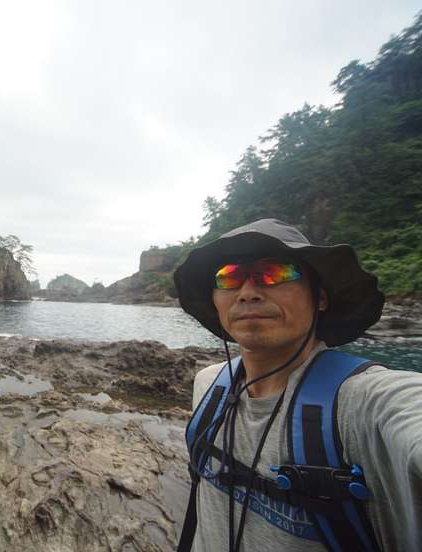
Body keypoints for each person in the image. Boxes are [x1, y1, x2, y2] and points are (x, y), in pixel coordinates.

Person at [173, 218, 422, 551]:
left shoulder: (364, 403)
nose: (247, 293)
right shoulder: (208, 384)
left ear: (320, 298)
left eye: (275, 273)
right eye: (229, 277)